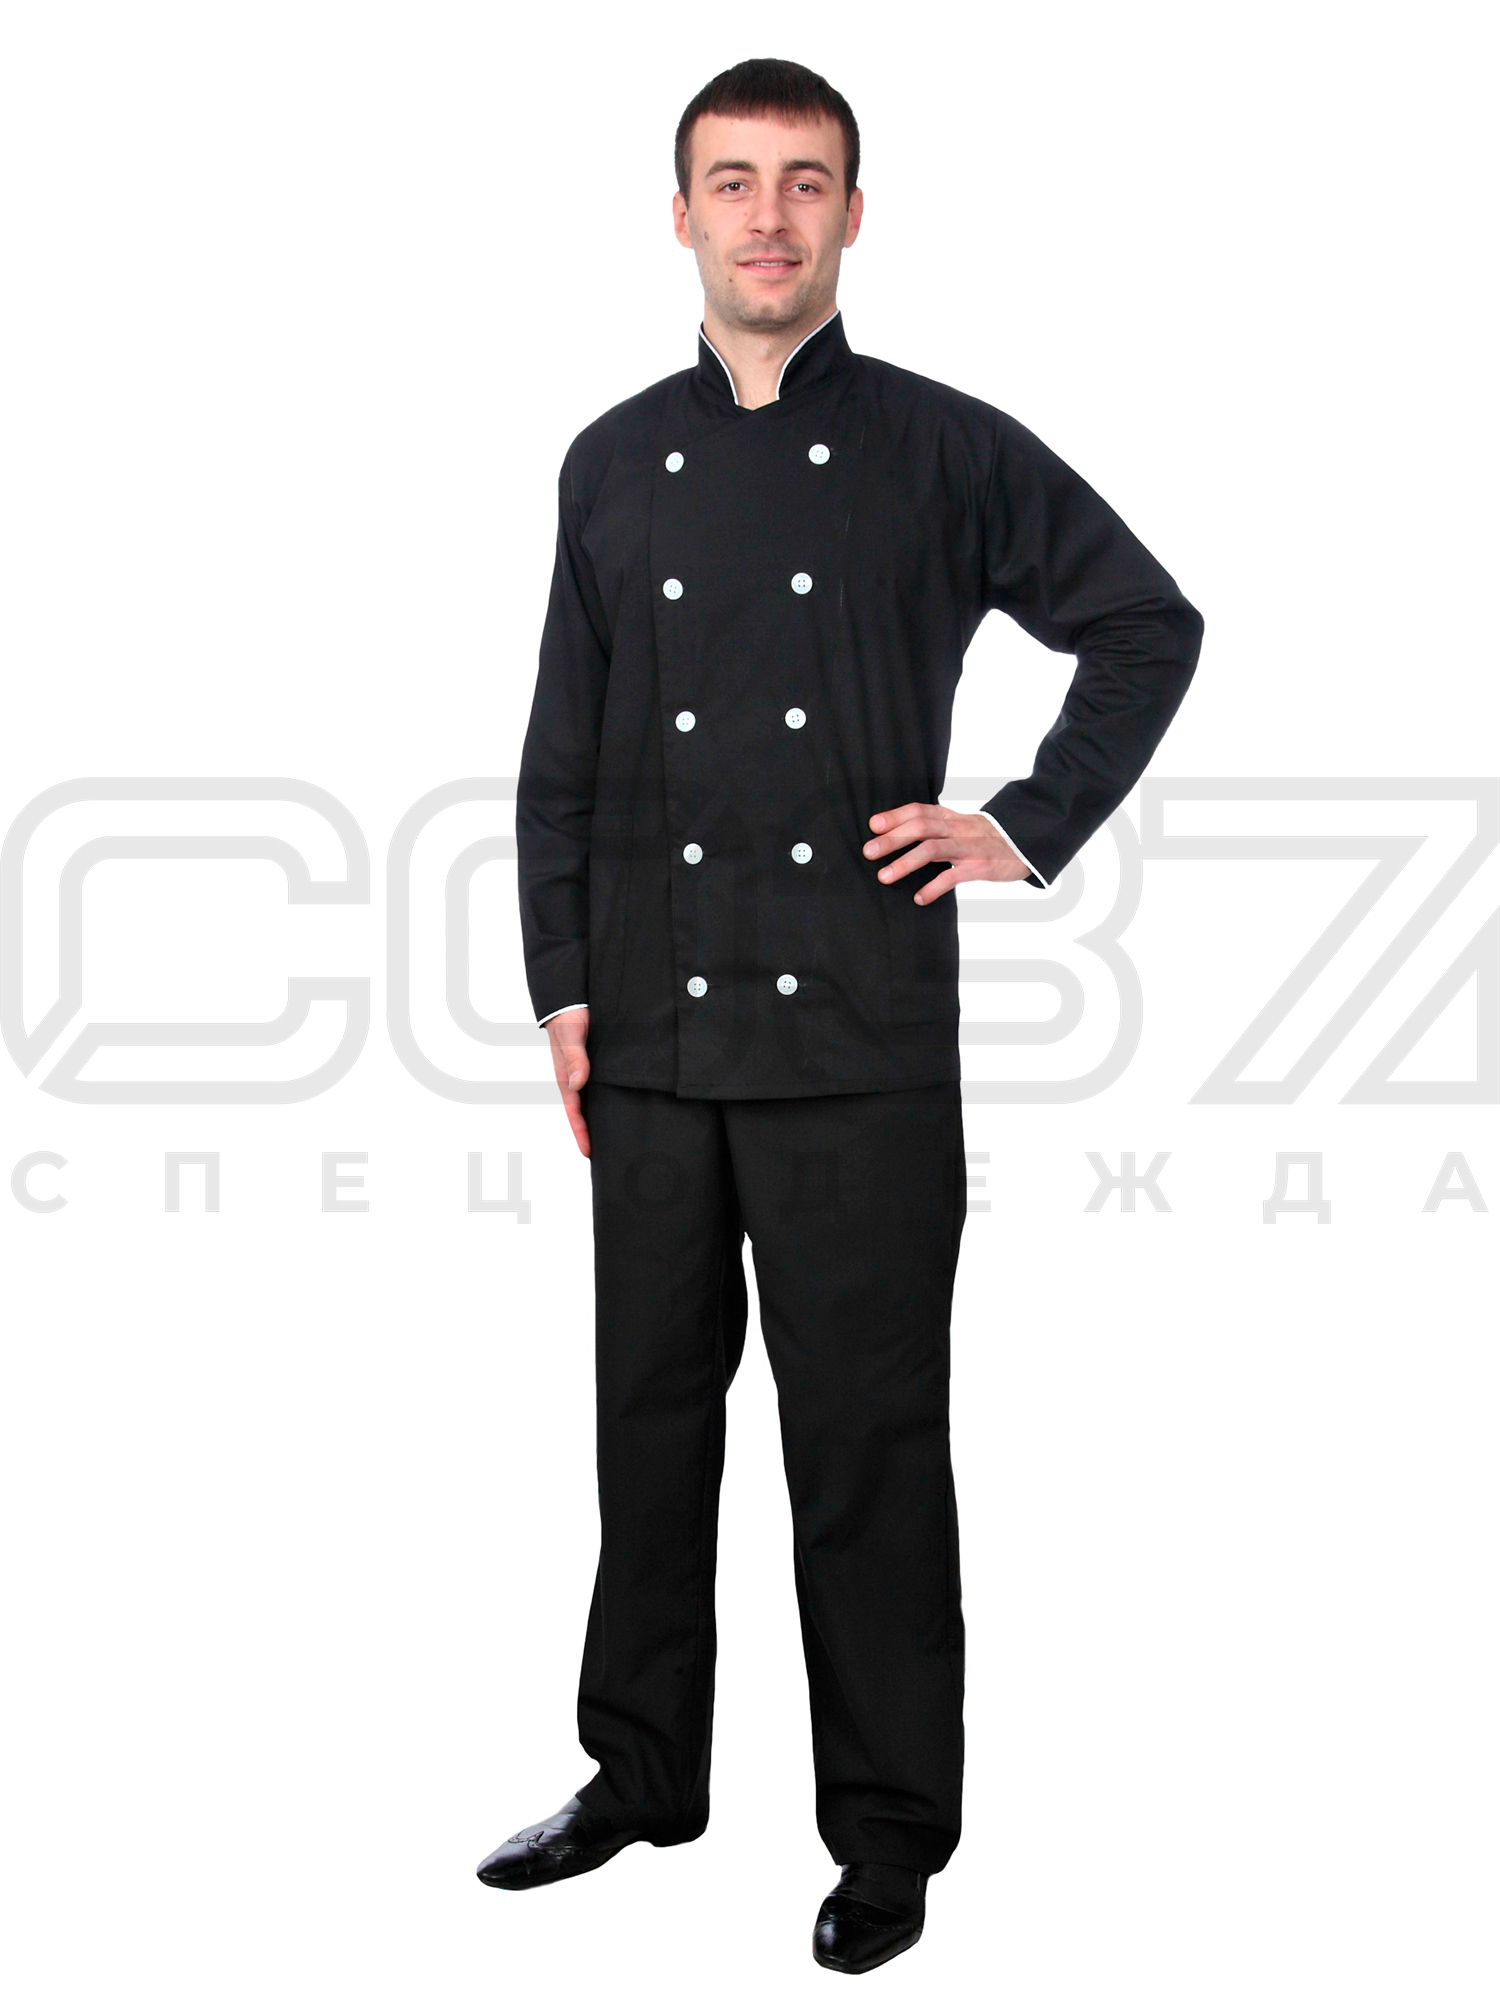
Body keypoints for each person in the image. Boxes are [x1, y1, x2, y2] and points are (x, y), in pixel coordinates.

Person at [479, 56, 1204, 1976]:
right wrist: (563, 981)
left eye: (805, 182)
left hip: (863, 1040)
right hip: (649, 1032)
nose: (769, 216)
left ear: (855, 217)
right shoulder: (607, 460)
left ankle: (888, 1837)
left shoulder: (945, 450)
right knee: (648, 1426)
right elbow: (561, 752)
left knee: (866, 1449)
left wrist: (1023, 824)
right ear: (681, 215)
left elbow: (1148, 623)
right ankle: (638, 1773)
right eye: (733, 181)